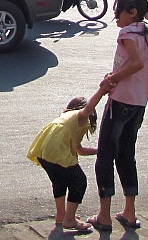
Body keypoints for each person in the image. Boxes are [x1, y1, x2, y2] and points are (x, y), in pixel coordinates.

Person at [88, 0, 148, 232]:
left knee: (105, 157)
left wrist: (112, 79)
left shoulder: (128, 33)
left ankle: (104, 216)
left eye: (118, 11)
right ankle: (129, 211)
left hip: (120, 102)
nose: (115, 16)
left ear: (133, 13)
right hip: (138, 103)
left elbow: (137, 63)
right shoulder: (147, 31)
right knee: (126, 155)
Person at [27, 86, 110, 233]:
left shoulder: (68, 120)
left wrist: (100, 151)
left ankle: (61, 215)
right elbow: (90, 105)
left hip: (43, 148)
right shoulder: (80, 116)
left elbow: (80, 150)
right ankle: (69, 219)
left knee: (59, 181)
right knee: (79, 181)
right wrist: (102, 90)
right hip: (56, 149)